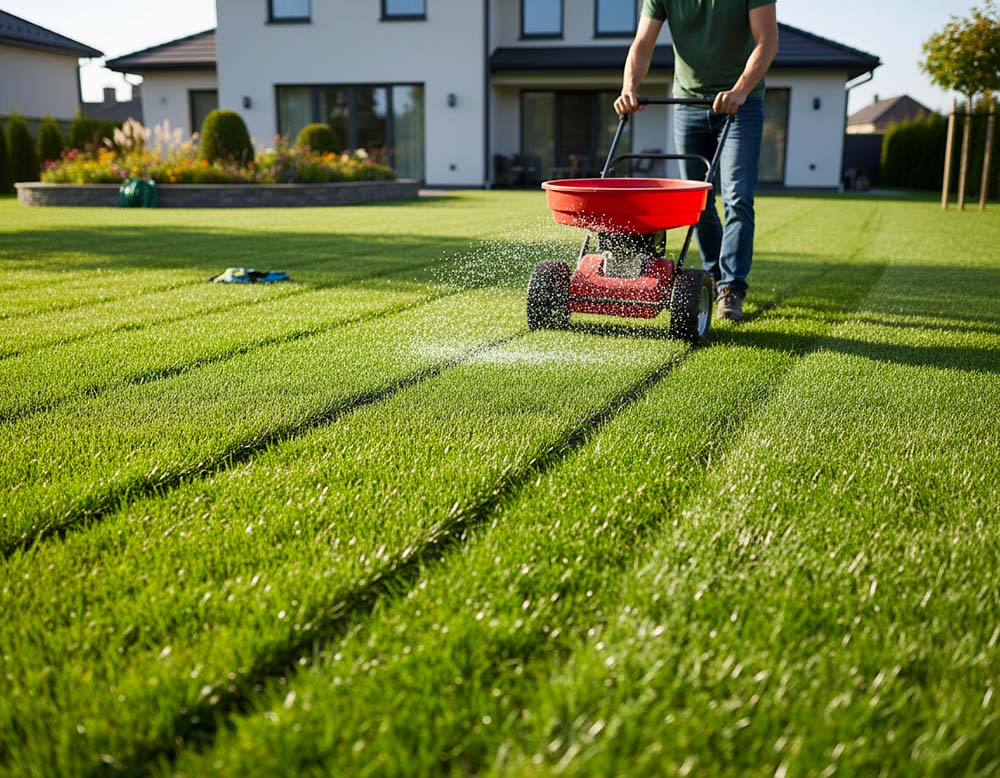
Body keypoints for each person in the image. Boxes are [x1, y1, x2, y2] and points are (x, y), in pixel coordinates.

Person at [615, 0, 779, 322]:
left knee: (738, 198)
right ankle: (713, 277)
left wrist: (740, 90)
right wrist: (629, 89)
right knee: (698, 202)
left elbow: (767, 41)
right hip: (687, 104)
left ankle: (731, 288)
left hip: (740, 106)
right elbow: (643, 43)